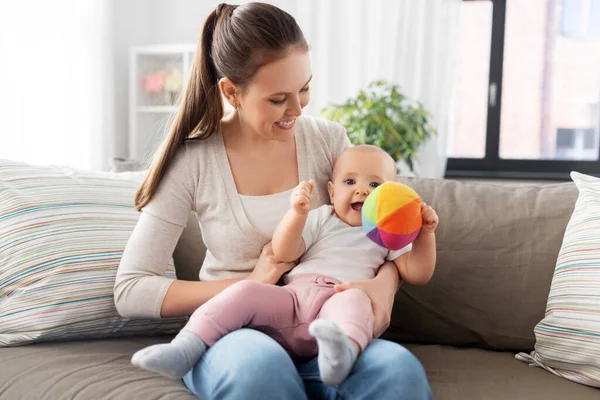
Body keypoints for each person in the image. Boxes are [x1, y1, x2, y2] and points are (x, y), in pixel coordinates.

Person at [114, 3, 434, 399]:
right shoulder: (193, 160)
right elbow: (131, 289)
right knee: (260, 370)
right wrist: (250, 283)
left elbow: (378, 231)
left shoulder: (329, 141)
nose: (297, 110)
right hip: (238, 335)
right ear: (232, 92)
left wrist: (386, 283)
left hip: (324, 324)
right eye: (279, 98)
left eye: (305, 89)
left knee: (397, 371)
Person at [130, 144, 439, 388]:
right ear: (332, 191)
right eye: (350, 182)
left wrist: (424, 233)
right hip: (293, 298)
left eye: (375, 184)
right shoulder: (323, 217)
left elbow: (418, 273)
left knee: (355, 302)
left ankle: (341, 355)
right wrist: (297, 214)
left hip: (340, 299)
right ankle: (186, 347)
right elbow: (284, 250)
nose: (361, 190)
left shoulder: (387, 234)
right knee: (247, 291)